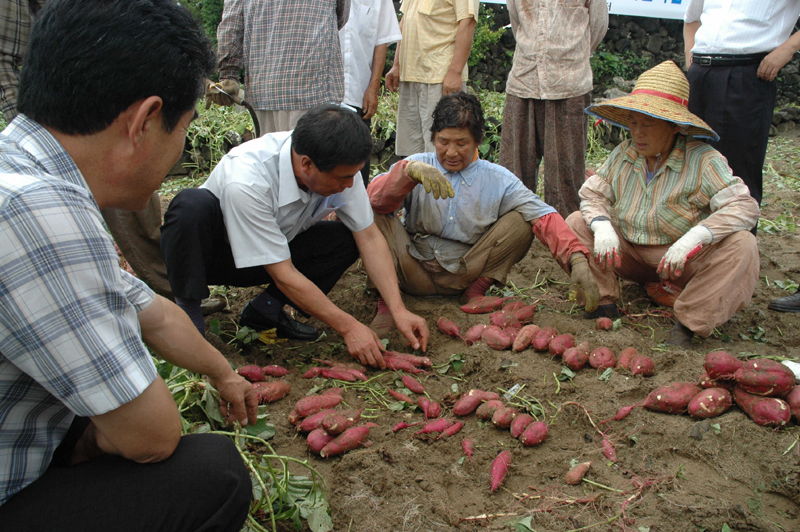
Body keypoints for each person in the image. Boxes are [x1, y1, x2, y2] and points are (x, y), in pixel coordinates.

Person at [0, 1, 257, 530]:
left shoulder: (18, 171)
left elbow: (153, 312)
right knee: (214, 473)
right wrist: (92, 443)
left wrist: (223, 373)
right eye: (184, 127)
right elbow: (151, 437)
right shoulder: (39, 211)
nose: (181, 145)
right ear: (144, 121)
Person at [160, 104, 429, 369]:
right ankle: (189, 320)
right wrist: (349, 327)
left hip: (277, 249)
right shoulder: (247, 179)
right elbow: (284, 274)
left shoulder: (337, 165)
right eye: (343, 178)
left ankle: (265, 311)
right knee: (189, 207)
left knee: (345, 238)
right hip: (217, 258)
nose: (350, 184)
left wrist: (398, 309)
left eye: (353, 176)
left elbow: (369, 238)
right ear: (307, 165)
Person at [366, 91, 600, 335]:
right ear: (434, 137)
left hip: (464, 272)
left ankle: (475, 291)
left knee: (521, 221)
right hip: (410, 267)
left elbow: (543, 215)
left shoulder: (498, 179)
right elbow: (374, 197)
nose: (451, 152)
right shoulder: (416, 165)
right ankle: (386, 305)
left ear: (477, 141)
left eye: (461, 143)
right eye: (443, 142)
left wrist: (577, 258)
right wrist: (407, 174)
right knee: (372, 214)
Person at [565, 61, 761, 348]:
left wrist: (698, 236)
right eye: (633, 122)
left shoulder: (703, 160)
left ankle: (689, 325)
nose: (638, 133)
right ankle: (603, 302)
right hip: (628, 255)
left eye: (649, 123)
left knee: (743, 245)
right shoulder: (624, 154)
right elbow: (593, 194)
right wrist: (603, 226)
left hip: (680, 260)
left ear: (674, 126)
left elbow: (745, 206)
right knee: (576, 223)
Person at [683, 0, 800, 212]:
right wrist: (690, 59)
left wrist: (787, 49)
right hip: (700, 73)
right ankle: (693, 240)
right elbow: (692, 19)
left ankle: (737, 242)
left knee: (735, 170)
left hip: (745, 73)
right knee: (688, 164)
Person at [499, 0, 608, 217]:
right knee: (514, 167)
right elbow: (516, 19)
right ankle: (515, 230)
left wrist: (568, 58)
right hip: (524, 78)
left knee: (566, 172)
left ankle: (565, 234)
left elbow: (598, 26)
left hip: (569, 82)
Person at [210, 0, 350, 135]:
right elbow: (341, 15)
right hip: (314, 87)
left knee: (271, 157)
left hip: (265, 88)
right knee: (316, 156)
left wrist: (228, 74)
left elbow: (231, 24)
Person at [385, 0, 479, 156]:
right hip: (410, 75)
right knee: (412, 155)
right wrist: (397, 64)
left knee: (444, 151)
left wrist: (455, 72)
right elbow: (406, 20)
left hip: (440, 77)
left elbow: (467, 22)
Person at [339, 0, 402, 186]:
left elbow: (381, 42)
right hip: (322, 94)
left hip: (358, 94)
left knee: (357, 164)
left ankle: (356, 214)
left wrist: (373, 89)